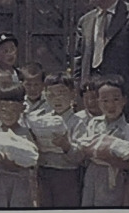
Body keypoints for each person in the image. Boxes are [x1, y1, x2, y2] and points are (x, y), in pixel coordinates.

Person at [0, 83, 37, 208]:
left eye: (13, 110)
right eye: (4, 110)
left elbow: (33, 162)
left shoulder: (26, 134)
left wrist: (14, 166)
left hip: (20, 186)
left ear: (22, 108)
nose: (8, 115)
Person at [80, 75, 129, 207]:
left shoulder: (128, 130)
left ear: (124, 100)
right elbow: (85, 146)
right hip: (92, 173)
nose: (111, 105)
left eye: (116, 99)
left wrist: (105, 155)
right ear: (98, 102)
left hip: (113, 177)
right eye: (105, 100)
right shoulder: (94, 123)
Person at [35, 72, 87, 207]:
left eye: (62, 93)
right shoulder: (41, 120)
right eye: (51, 95)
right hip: (44, 171)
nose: (57, 99)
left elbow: (81, 156)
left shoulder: (78, 122)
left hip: (66, 174)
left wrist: (66, 146)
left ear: (72, 94)